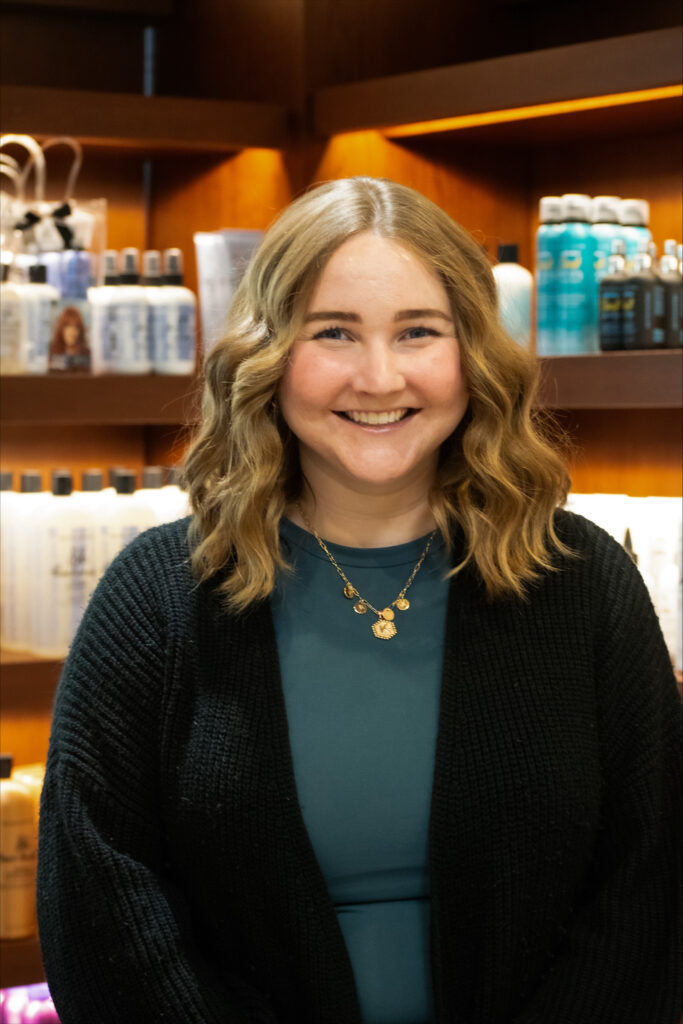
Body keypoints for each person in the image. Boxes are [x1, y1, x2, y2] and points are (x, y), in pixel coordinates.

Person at [37, 177, 682, 1024]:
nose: (378, 377)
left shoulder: (581, 577)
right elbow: (98, 904)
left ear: (472, 354)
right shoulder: (157, 596)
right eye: (333, 332)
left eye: (418, 332)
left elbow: (651, 880)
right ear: (269, 354)